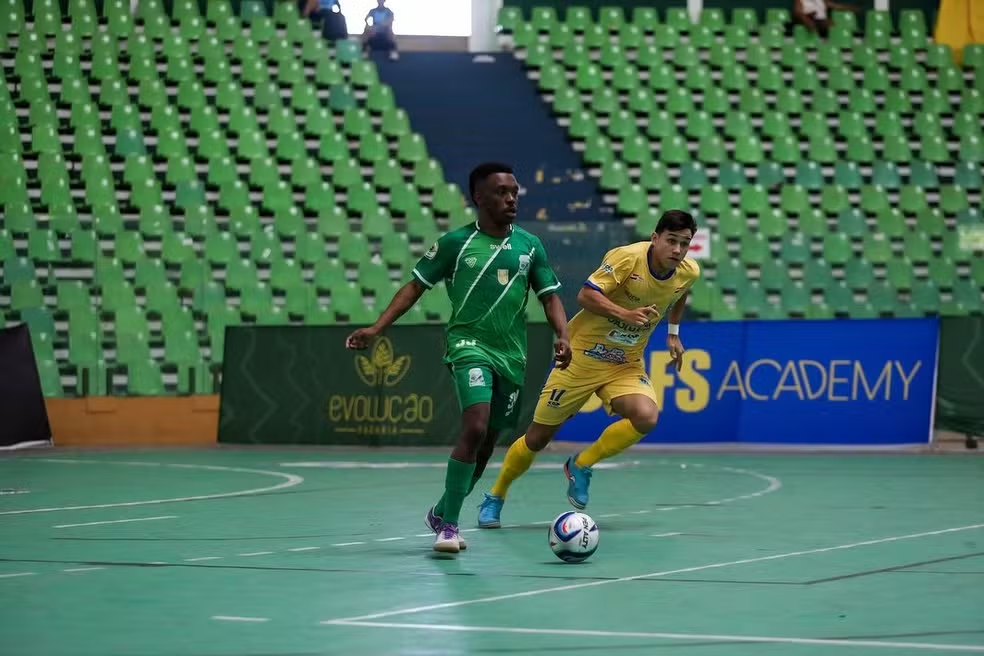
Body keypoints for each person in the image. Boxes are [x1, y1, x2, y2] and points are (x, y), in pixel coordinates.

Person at [345, 162, 572, 554]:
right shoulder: (455, 243)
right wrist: (377, 328)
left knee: (486, 445)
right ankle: (449, 527)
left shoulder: (530, 246)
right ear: (478, 198)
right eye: (502, 192)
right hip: (468, 346)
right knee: (474, 426)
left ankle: (441, 510)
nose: (511, 198)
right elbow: (414, 287)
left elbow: (549, 296)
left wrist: (563, 335)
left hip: (512, 356)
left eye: (514, 191)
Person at [476, 210, 700, 528]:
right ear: (655, 238)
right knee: (537, 438)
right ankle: (495, 496)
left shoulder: (687, 271)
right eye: (671, 241)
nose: (677, 250)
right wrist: (625, 313)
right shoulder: (627, 258)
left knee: (646, 416)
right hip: (581, 357)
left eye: (684, 244)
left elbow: (680, 292)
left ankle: (581, 464)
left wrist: (673, 334)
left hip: (625, 362)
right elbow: (585, 295)